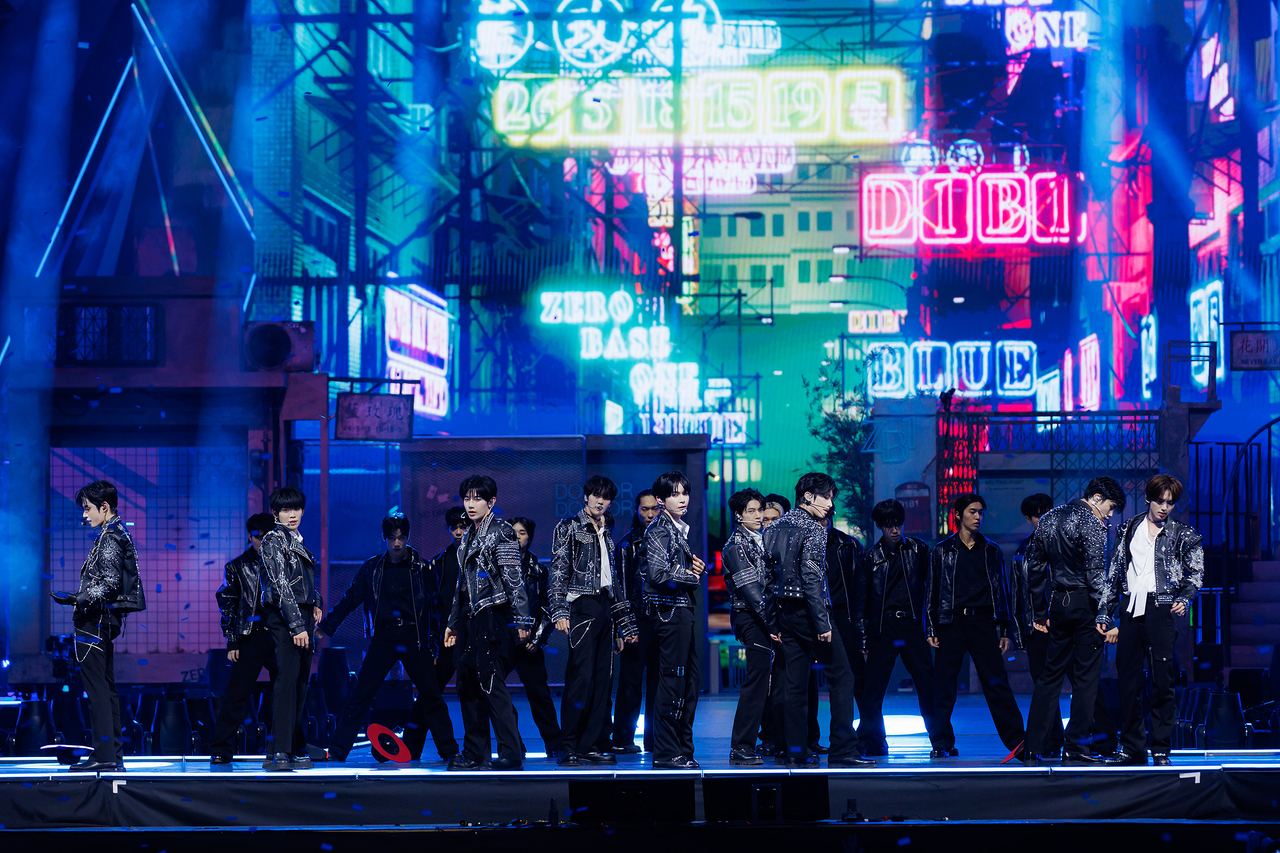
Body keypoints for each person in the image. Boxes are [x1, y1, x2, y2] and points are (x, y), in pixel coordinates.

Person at [317, 515, 459, 763]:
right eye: (392, 538)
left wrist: (434, 647)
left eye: (401, 538)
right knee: (361, 694)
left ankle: (449, 751)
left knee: (431, 696)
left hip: (415, 638)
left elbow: (435, 609)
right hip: (383, 637)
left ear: (407, 537)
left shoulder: (423, 568)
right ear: (383, 538)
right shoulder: (372, 568)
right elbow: (350, 598)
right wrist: (328, 626)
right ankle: (338, 751)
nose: (397, 543)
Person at [765, 473, 874, 767]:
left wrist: (772, 622)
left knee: (795, 684)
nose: (830, 503)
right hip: (811, 615)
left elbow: (767, 579)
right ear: (809, 496)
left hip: (785, 614)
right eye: (827, 497)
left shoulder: (773, 527)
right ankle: (843, 750)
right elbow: (812, 579)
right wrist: (823, 623)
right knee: (843, 677)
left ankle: (796, 751)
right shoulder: (813, 529)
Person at [1020, 476, 1127, 765]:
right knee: (1085, 680)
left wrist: (1039, 612)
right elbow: (1095, 576)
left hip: (1058, 605)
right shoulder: (1092, 523)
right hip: (1084, 606)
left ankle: (1033, 747)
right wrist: (1107, 616)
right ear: (1095, 497)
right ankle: (1076, 748)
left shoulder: (1050, 517)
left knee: (1050, 677)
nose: (1110, 513)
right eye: (1111, 506)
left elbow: (1033, 568)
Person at [1099, 474, 1204, 766]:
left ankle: (1160, 748)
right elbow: (1115, 572)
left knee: (1162, 683)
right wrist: (1104, 612)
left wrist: (1184, 599)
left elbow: (1195, 573)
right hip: (1130, 610)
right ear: (1148, 498)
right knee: (1128, 683)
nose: (1164, 507)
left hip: (1161, 610)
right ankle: (1132, 747)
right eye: (1160, 501)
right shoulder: (1127, 529)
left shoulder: (1183, 534)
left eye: (1170, 503)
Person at [52, 480, 145, 772]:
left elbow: (109, 583)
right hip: (102, 620)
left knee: (97, 692)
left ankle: (105, 756)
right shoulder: (116, 533)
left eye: (88, 508)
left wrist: (75, 598)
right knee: (105, 689)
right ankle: (112, 756)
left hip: (95, 621)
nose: (84, 515)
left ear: (104, 507)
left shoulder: (111, 536)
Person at [926, 493, 1026, 760]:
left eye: (981, 512)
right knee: (944, 686)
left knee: (997, 683)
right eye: (972, 511)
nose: (978, 517)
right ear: (958, 515)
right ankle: (941, 743)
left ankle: (1018, 742)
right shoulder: (941, 550)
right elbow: (932, 590)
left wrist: (1004, 630)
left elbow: (1001, 591)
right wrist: (931, 628)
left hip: (982, 623)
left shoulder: (991, 550)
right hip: (951, 622)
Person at [442, 475, 532, 771]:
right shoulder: (468, 534)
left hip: (492, 616)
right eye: (467, 498)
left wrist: (521, 618)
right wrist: (453, 623)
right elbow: (461, 585)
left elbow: (513, 578)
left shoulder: (502, 531)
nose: (470, 504)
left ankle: (510, 753)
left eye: (477, 498)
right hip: (469, 620)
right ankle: (474, 754)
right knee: (466, 686)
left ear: (491, 501)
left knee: (491, 684)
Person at [551, 476, 639, 766]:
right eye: (595, 495)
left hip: (604, 607)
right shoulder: (569, 527)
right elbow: (558, 570)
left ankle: (589, 745)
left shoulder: (607, 532)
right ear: (586, 496)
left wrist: (622, 625)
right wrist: (559, 611)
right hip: (581, 607)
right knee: (581, 679)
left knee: (603, 681)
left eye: (606, 497)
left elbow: (613, 580)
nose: (600, 501)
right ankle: (569, 746)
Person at [209, 512, 306, 766]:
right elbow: (228, 603)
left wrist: (315, 603)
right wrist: (232, 640)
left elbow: (303, 587)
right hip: (251, 637)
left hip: (279, 635)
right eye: (257, 538)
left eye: (266, 537)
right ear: (249, 537)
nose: (261, 543)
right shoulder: (238, 566)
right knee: (237, 694)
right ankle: (221, 748)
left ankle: (292, 747)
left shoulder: (284, 560)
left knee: (287, 692)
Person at [856, 499, 937, 756]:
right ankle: (873, 741)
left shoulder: (918, 550)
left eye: (898, 524)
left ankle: (941, 741)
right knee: (873, 690)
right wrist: (864, 641)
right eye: (889, 525)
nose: (895, 530)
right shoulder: (870, 558)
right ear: (879, 525)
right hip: (883, 628)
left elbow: (933, 592)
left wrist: (931, 628)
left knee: (927, 685)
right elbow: (862, 603)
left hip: (912, 625)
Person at [257, 487, 324, 771]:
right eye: (285, 510)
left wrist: (316, 602)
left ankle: (288, 748)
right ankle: (280, 752)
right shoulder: (273, 539)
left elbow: (302, 582)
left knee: (299, 684)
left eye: (296, 508)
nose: (292, 514)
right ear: (275, 513)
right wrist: (297, 624)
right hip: (286, 619)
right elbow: (281, 585)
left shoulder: (296, 539)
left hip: (302, 616)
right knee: (287, 684)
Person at [645, 471, 705, 769]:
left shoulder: (676, 529)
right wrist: (690, 577)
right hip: (669, 615)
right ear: (661, 499)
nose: (682, 498)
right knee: (673, 682)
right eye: (674, 494)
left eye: (685, 492)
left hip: (681, 612)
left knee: (689, 683)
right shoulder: (659, 530)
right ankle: (668, 752)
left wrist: (691, 569)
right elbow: (656, 575)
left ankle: (681, 747)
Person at [722, 488, 772, 766]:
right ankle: (741, 747)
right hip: (751, 617)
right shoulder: (735, 546)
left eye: (760, 510)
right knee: (756, 682)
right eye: (751, 511)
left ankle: (772, 741)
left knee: (771, 681)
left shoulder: (763, 539)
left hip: (767, 616)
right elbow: (752, 592)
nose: (758, 515)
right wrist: (773, 621)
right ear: (738, 515)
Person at [610, 489, 661, 753]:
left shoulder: (668, 540)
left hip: (662, 620)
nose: (650, 514)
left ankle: (654, 740)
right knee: (630, 682)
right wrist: (623, 625)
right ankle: (622, 739)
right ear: (637, 510)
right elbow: (620, 588)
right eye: (645, 509)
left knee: (658, 682)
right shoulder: (626, 545)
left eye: (654, 509)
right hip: (636, 621)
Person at [509, 516, 564, 757]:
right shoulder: (497, 567)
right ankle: (512, 743)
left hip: (529, 642)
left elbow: (547, 607)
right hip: (503, 640)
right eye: (512, 533)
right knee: (494, 693)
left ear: (529, 537)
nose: (516, 537)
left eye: (521, 533)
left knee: (540, 695)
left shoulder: (539, 571)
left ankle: (555, 744)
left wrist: (538, 638)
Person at [429, 507, 470, 693]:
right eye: (454, 527)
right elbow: (431, 604)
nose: (459, 532)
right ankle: (415, 723)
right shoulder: (439, 563)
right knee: (433, 686)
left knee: (472, 690)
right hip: (446, 635)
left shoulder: (480, 559)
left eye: (463, 526)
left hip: (471, 633)